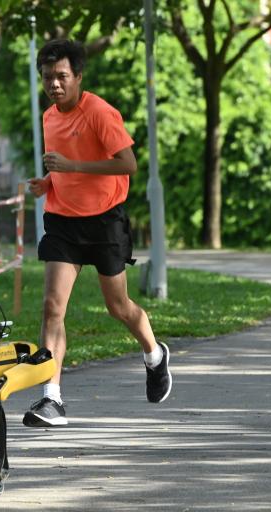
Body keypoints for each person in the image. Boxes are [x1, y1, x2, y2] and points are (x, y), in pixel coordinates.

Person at [22, 39, 172, 428]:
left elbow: (128, 164)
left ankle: (154, 354)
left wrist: (71, 166)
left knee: (118, 307)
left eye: (61, 76)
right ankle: (51, 398)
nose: (54, 84)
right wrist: (48, 183)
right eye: (47, 77)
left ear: (78, 77)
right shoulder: (49, 117)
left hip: (105, 221)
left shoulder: (101, 112)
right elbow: (63, 168)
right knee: (53, 307)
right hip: (62, 222)